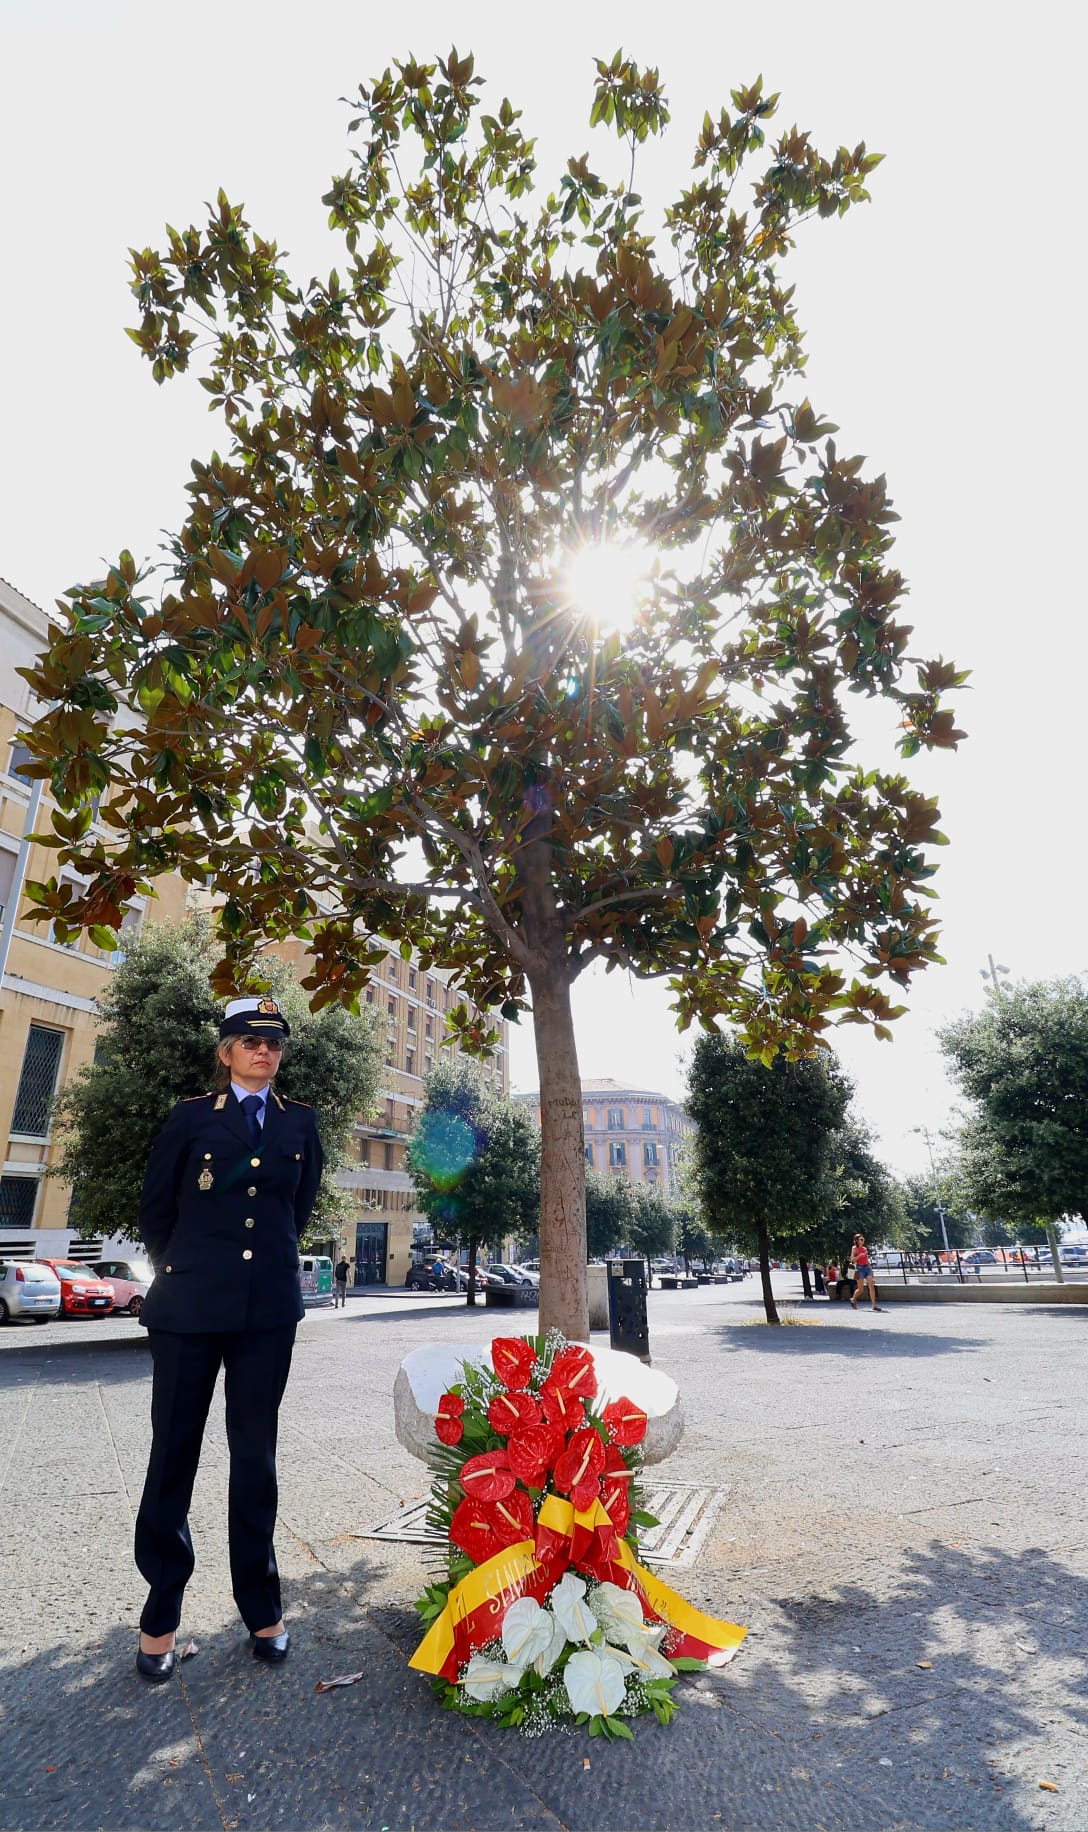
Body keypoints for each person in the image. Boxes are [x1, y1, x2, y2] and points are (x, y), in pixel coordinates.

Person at [132, 996, 324, 1683]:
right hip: (188, 1308)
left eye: (273, 1042)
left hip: (265, 1312)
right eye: (249, 1041)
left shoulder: (299, 1122)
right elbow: (156, 1210)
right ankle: (160, 1614)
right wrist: (185, 1270)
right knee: (173, 1455)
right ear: (226, 1052)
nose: (263, 1050)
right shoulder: (191, 1118)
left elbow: (297, 1209)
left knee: (256, 1459)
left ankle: (262, 1609)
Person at [849, 1233, 883, 1313]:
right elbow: (852, 1259)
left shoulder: (864, 1248)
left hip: (866, 1268)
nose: (863, 1240)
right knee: (861, 1289)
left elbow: (867, 1260)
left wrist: (871, 1270)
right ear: (857, 1240)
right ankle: (853, 1299)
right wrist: (860, 1256)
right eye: (861, 1239)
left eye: (863, 1239)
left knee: (871, 1286)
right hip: (859, 1268)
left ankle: (874, 1305)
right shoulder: (854, 1248)